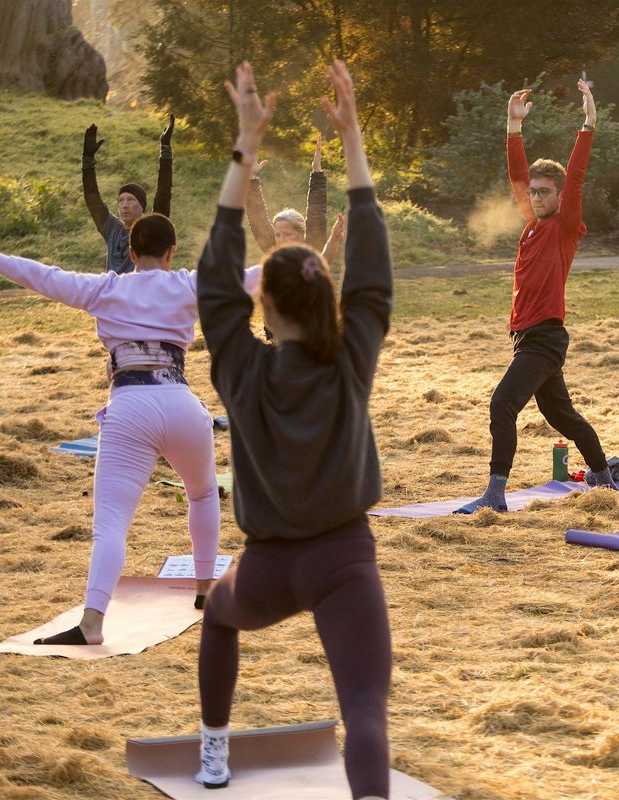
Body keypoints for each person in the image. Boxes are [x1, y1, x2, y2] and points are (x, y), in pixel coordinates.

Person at [193, 61, 392, 799]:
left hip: (271, 565)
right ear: (328, 301)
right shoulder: (351, 357)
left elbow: (214, 283)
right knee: (364, 713)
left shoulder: (242, 369)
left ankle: (214, 752)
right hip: (345, 560)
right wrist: (353, 143)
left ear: (264, 309)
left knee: (218, 619)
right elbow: (373, 269)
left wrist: (246, 147)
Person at [0, 207, 257, 645]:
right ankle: (204, 590)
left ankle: (93, 622)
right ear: (171, 252)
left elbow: (46, 277)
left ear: (131, 252)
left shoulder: (107, 288)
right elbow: (254, 277)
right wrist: (317, 254)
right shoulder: (190, 284)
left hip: (129, 408)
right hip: (182, 405)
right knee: (201, 492)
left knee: (112, 525)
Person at [456, 80, 616, 514]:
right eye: (535, 191)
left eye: (545, 191)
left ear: (561, 197)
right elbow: (516, 177)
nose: (536, 196)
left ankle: (494, 495)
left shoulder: (564, 225)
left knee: (502, 404)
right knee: (562, 417)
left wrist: (588, 124)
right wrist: (512, 127)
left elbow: (577, 174)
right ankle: (604, 480)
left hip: (545, 337)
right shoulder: (531, 224)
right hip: (526, 337)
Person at [82, 114, 176, 274]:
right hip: (113, 296)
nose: (124, 205)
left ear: (143, 207)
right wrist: (88, 160)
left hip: (139, 296)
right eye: (121, 200)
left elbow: (163, 194)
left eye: (131, 200)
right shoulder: (112, 228)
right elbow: (92, 199)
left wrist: (165, 150)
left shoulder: (151, 228)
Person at [246, 134, 345, 266]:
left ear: (301, 235)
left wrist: (317, 171)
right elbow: (257, 218)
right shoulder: (273, 251)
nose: (281, 240)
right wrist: (251, 178)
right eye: (278, 235)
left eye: (287, 234)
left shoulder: (311, 250)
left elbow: (316, 213)